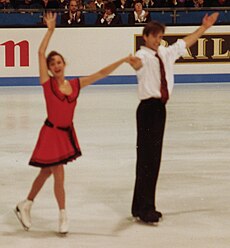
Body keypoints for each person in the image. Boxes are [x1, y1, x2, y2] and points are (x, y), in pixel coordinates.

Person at [14, 12, 131, 234]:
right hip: (51, 134)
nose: (56, 65)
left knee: (47, 173)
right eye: (52, 63)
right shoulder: (47, 85)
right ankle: (63, 215)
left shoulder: (76, 85)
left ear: (64, 64)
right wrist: (50, 31)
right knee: (58, 173)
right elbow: (40, 52)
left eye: (59, 62)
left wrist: (123, 60)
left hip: (65, 135)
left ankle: (26, 204)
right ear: (49, 69)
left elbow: (101, 73)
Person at [128, 12, 219, 224]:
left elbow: (185, 42)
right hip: (148, 110)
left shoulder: (164, 53)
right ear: (146, 37)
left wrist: (204, 27)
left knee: (152, 159)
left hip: (159, 110)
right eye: (155, 37)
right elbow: (137, 64)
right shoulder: (142, 56)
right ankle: (146, 208)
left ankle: (139, 205)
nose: (159, 40)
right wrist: (133, 63)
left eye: (160, 37)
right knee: (147, 160)